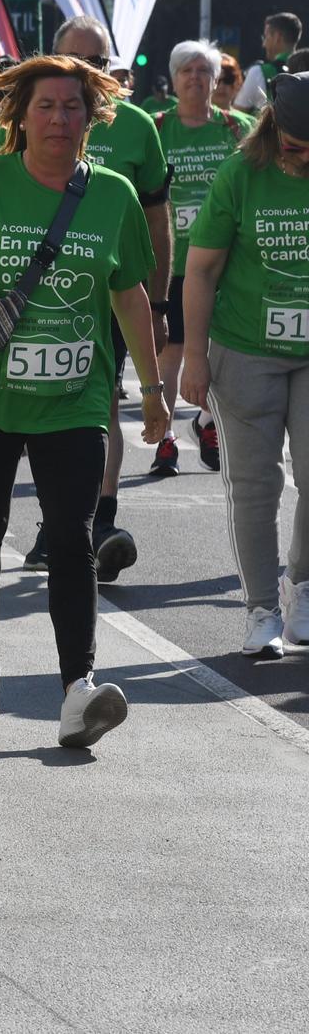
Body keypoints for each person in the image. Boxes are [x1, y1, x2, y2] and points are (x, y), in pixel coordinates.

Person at [0, 55, 168, 747]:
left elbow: (129, 295)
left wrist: (150, 391)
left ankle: (76, 690)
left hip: (76, 395)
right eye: (47, 107)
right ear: (19, 117)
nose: (61, 119)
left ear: (93, 118)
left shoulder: (114, 195)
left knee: (70, 536)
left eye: (73, 107)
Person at [6, 16, 172, 580]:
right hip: (33, 302)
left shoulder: (137, 127)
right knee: (41, 407)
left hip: (105, 296)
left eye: (98, 65)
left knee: (98, 402)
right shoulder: (19, 117)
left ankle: (98, 520)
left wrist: (160, 301)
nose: (86, 74)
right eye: (75, 61)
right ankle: (57, 521)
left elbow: (156, 219)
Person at [181, 72, 309, 657]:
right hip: (245, 348)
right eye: (289, 140)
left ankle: (301, 591)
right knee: (257, 485)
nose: (296, 153)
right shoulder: (239, 175)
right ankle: (260, 607)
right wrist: (194, 357)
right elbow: (201, 270)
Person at [150, 40, 256, 476]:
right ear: (173, 80)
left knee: (223, 349)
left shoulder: (241, 128)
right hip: (175, 262)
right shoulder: (156, 126)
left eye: (202, 71)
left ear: (217, 80)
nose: (194, 78)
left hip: (230, 263)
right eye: (185, 71)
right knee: (173, 350)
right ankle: (165, 437)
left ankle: (208, 421)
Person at [234, 12, 302, 114]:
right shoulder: (306, 70)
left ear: (277, 37)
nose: (264, 44)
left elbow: (237, 116)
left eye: (266, 37)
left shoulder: (258, 72)